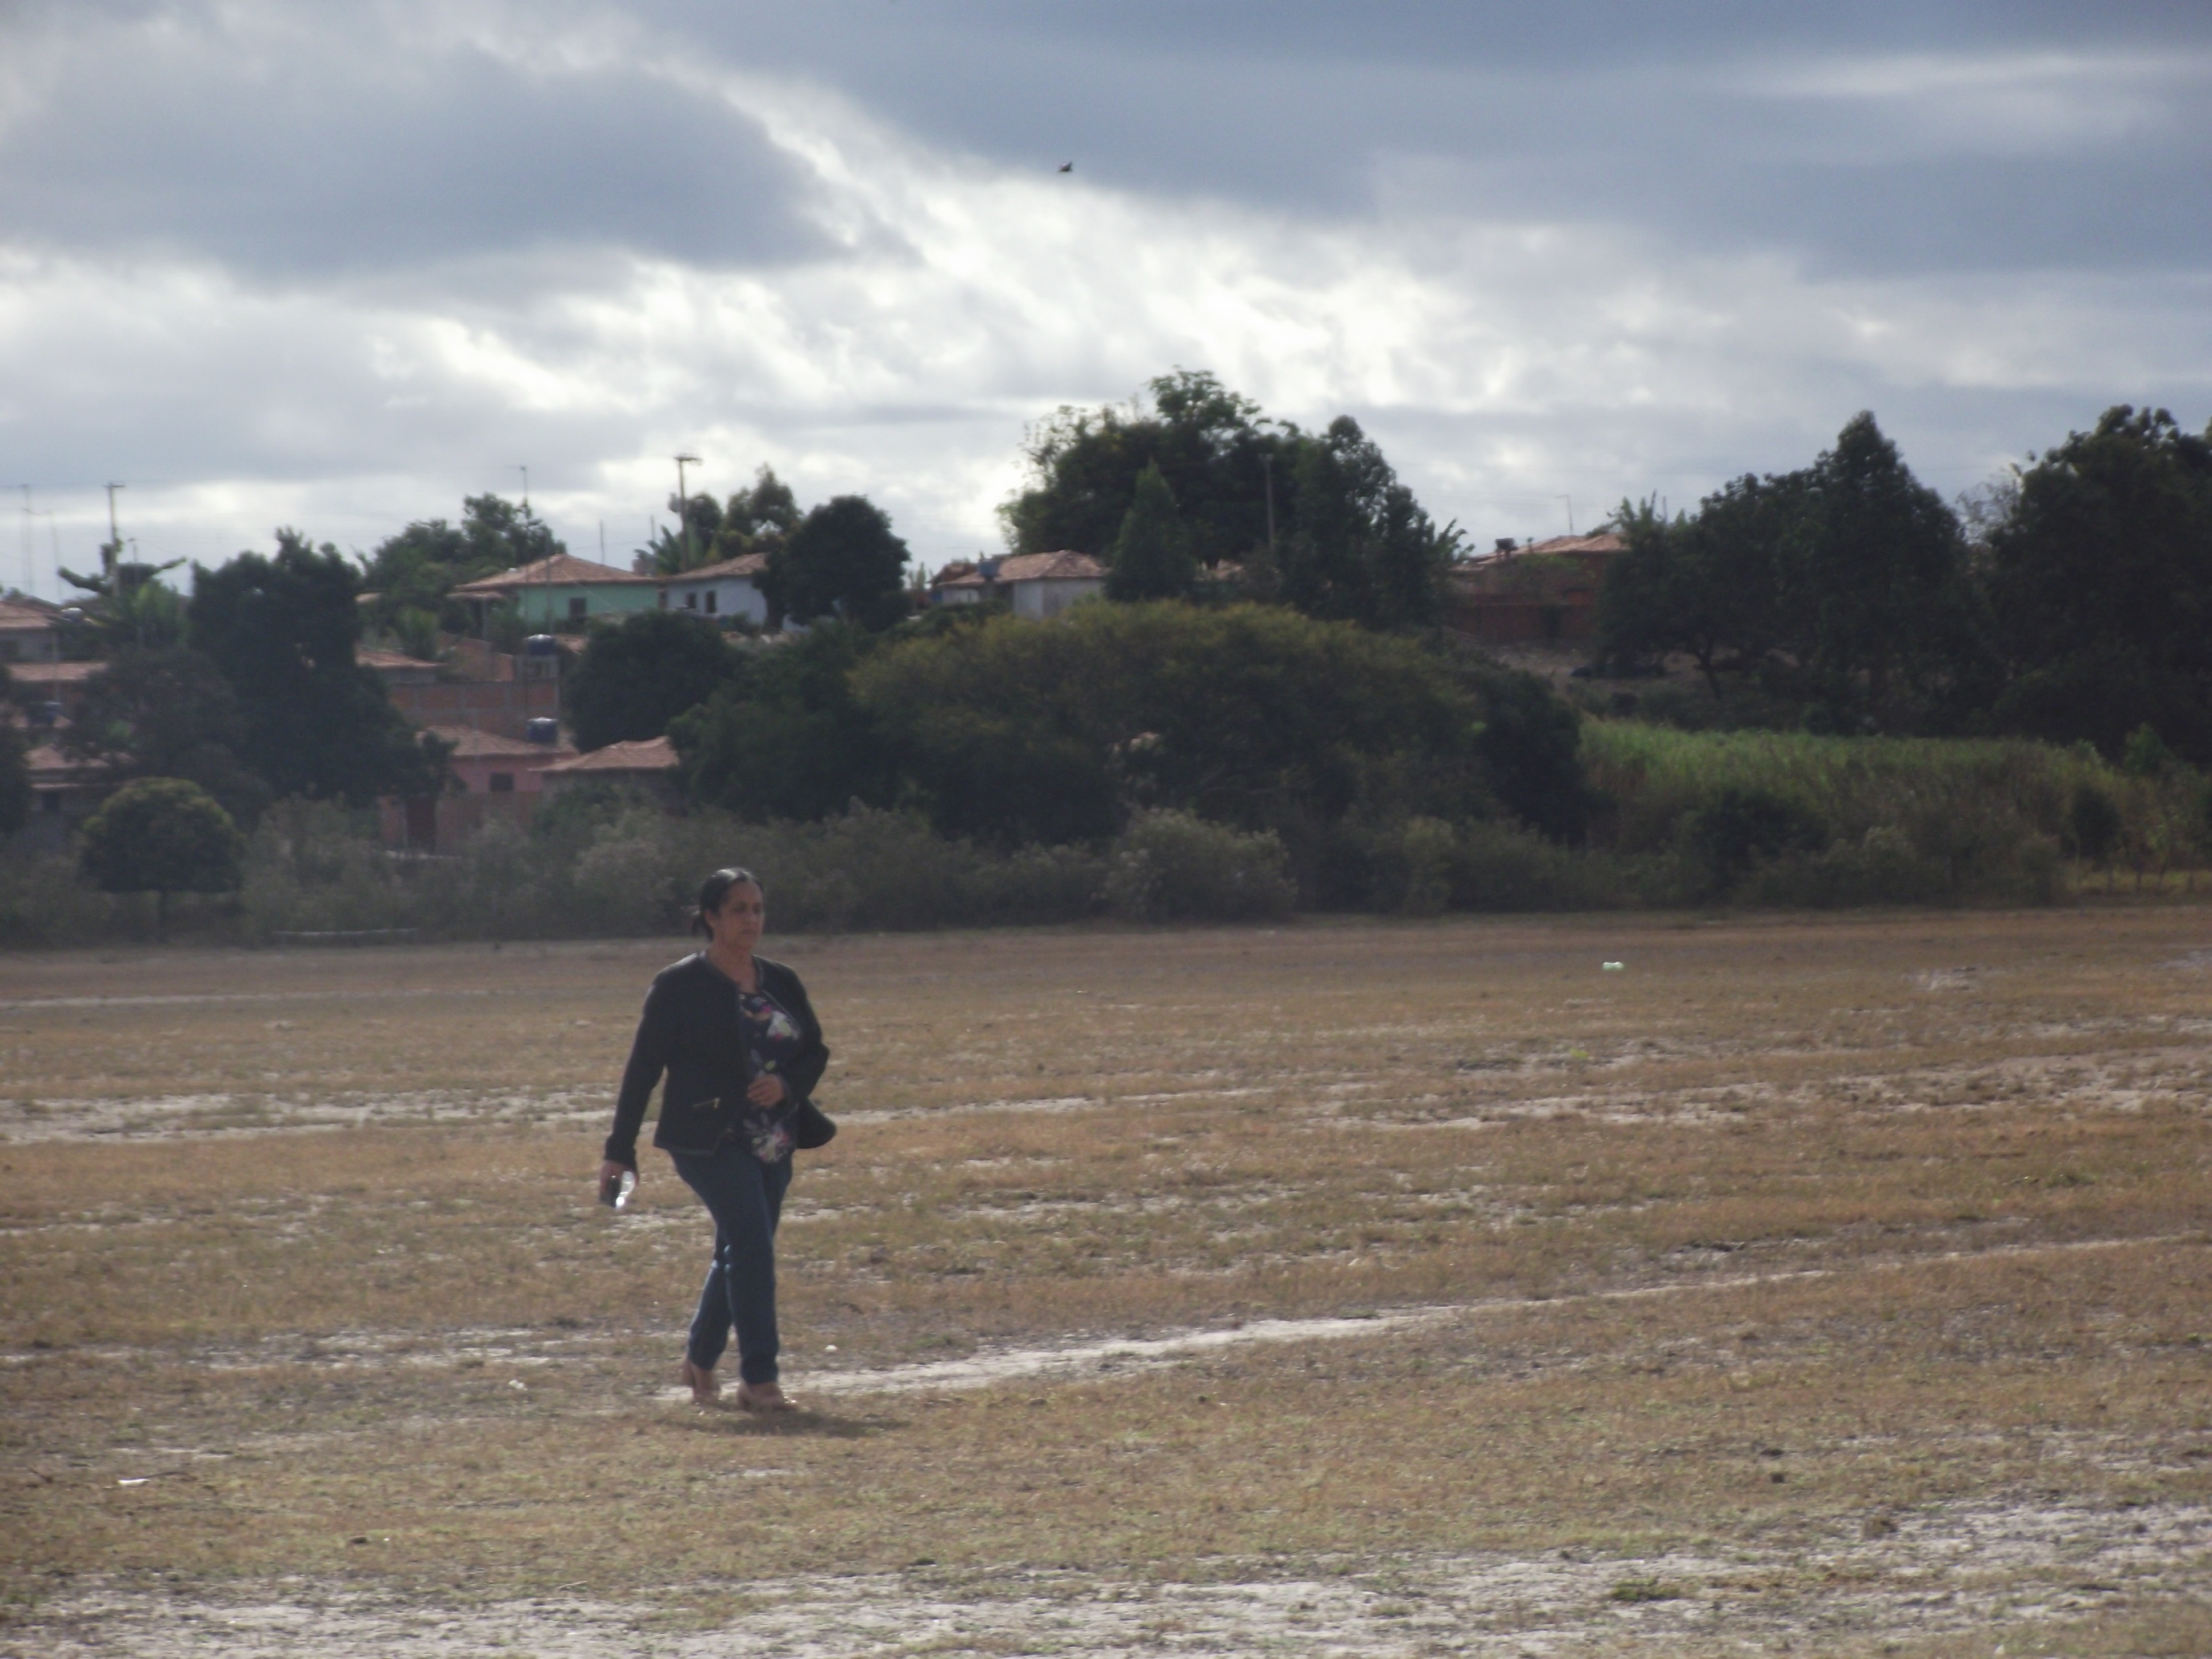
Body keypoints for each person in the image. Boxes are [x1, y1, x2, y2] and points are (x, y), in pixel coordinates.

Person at [599, 868, 832, 1412]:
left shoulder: (781, 980)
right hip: (704, 1138)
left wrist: (787, 1085)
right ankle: (760, 1379)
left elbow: (814, 1050)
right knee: (751, 1243)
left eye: (757, 908)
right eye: (738, 910)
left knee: (742, 1248)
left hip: (774, 1136)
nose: (751, 919)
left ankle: (700, 1362)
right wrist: (619, 1149)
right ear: (711, 918)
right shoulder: (678, 986)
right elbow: (643, 1069)